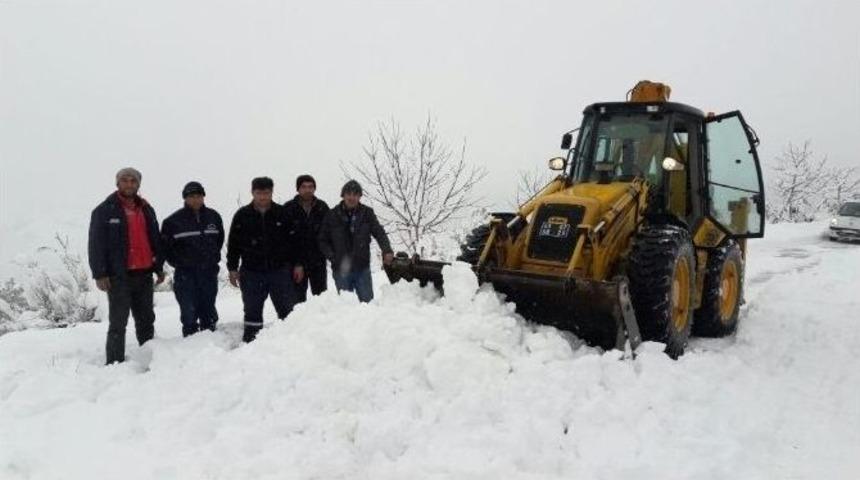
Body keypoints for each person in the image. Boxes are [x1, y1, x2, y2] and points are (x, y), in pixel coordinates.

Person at [88, 167, 165, 364]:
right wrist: (99, 273)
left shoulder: (147, 208)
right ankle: (115, 362)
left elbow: (154, 239)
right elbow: (96, 244)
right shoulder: (104, 210)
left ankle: (149, 357)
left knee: (146, 319)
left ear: (138, 184)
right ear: (118, 183)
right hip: (118, 276)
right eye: (125, 180)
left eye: (133, 181)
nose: (129, 184)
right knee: (118, 322)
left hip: (144, 273)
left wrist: (158, 266)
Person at [227, 177, 303, 342]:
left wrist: (298, 264)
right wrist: (232, 268)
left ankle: (290, 342)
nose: (262, 197)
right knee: (252, 310)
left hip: (279, 270)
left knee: (287, 310)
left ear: (271, 192)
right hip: (252, 271)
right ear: (252, 193)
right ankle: (251, 343)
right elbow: (233, 244)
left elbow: (294, 242)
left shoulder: (282, 213)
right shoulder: (242, 215)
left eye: (266, 193)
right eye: (259, 193)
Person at [161, 181, 224, 337]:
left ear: (203, 197)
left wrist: (211, 257)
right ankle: (190, 342)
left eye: (198, 196)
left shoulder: (213, 217)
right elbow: (165, 247)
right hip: (185, 274)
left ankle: (210, 341)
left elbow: (219, 240)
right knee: (188, 312)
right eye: (191, 196)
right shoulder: (172, 222)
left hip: (209, 272)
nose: (195, 200)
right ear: (185, 198)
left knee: (208, 309)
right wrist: (180, 262)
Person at [318, 180, 394, 303]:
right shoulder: (332, 215)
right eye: (349, 194)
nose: (352, 197)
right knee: (346, 307)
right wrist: (332, 257)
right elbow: (322, 240)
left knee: (367, 305)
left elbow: (379, 232)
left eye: (355, 194)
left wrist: (387, 250)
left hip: (362, 268)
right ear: (343, 195)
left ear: (359, 197)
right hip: (341, 270)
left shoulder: (367, 213)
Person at [283, 174, 330, 303]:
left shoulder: (322, 207)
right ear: (298, 189)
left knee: (321, 300)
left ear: (314, 188)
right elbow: (284, 239)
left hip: (318, 262)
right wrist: (296, 263)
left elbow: (330, 232)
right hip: (295, 264)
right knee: (297, 302)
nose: (307, 189)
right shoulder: (288, 208)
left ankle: (323, 323)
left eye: (310, 186)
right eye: (304, 187)